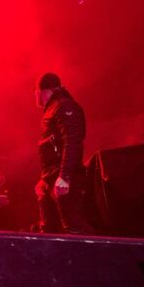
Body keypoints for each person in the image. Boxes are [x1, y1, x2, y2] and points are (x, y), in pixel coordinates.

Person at [34, 72, 93, 234]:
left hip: (64, 179)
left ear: (41, 91)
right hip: (53, 178)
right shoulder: (53, 109)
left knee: (74, 227)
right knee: (50, 229)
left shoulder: (64, 107)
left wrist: (65, 176)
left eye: (35, 92)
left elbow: (72, 141)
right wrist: (45, 179)